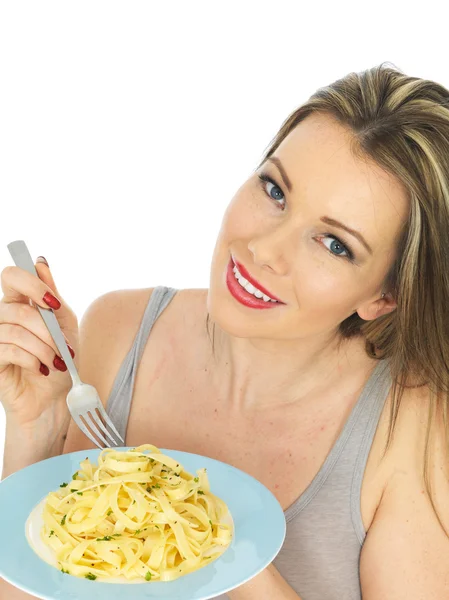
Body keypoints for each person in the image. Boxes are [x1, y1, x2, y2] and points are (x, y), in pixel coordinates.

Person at [1, 62, 449, 600]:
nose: (265, 249)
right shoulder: (115, 334)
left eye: (334, 244)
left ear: (384, 296)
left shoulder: (411, 421)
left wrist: (205, 538)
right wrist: (37, 431)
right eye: (275, 190)